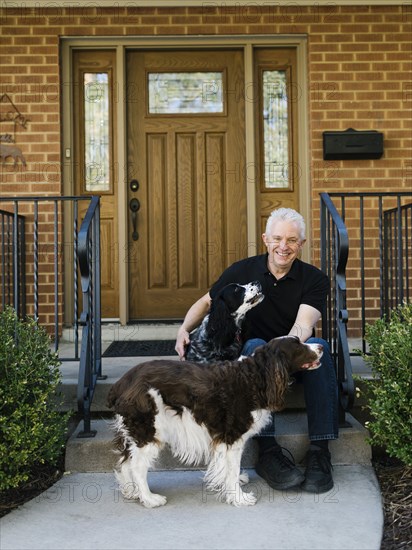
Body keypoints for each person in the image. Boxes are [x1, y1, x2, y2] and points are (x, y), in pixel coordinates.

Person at [175, 207, 338, 494]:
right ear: (265, 239)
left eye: (291, 240)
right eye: (277, 238)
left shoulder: (314, 279)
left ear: (301, 244)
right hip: (255, 365)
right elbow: (206, 302)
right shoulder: (243, 271)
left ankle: (319, 451)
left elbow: (305, 325)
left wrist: (283, 355)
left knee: (321, 348)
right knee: (253, 346)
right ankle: (269, 452)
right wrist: (183, 329)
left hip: (292, 358)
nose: (283, 247)